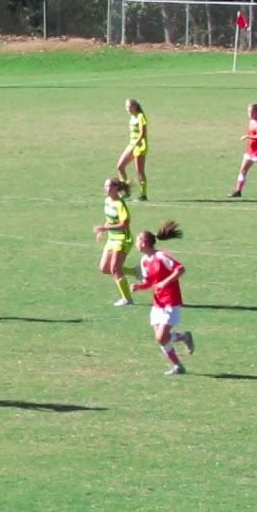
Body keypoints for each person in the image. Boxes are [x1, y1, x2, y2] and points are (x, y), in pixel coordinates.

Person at [132, 221, 194, 375]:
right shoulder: (144, 261)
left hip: (170, 301)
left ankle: (183, 341)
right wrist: (139, 287)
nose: (135, 243)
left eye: (137, 240)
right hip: (157, 303)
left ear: (145, 243)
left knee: (161, 338)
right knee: (161, 339)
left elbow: (180, 269)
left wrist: (165, 282)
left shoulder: (161, 256)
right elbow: (149, 282)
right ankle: (179, 363)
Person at [94, 177, 138, 306]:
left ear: (116, 189)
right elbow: (110, 219)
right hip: (112, 239)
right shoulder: (107, 201)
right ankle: (135, 272)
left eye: (108, 186)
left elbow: (125, 224)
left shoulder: (120, 204)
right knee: (105, 268)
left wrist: (105, 228)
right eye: (105, 186)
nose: (105, 188)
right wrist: (103, 229)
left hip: (123, 239)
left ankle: (127, 299)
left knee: (115, 268)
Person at [117, 98, 149, 201]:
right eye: (126, 107)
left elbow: (142, 133)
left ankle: (143, 194)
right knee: (120, 166)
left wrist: (136, 145)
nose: (128, 109)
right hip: (131, 144)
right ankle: (125, 191)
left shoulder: (140, 116)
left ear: (135, 106)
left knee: (139, 171)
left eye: (130, 106)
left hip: (139, 146)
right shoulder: (132, 116)